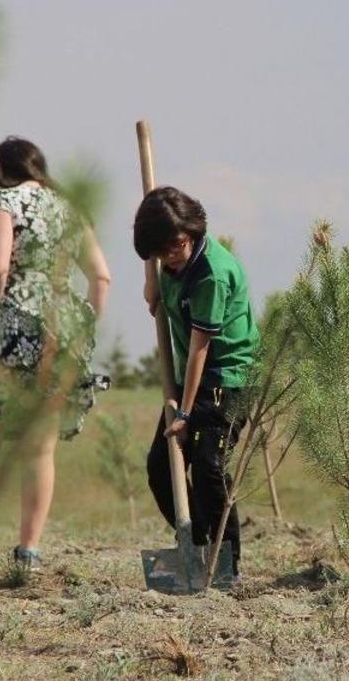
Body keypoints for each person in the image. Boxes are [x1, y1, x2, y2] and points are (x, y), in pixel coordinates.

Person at [0, 137, 112, 571]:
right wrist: (83, 330)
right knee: (40, 449)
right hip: (61, 333)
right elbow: (101, 278)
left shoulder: (3, 201)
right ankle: (29, 551)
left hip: (10, 329)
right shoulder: (72, 208)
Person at [134, 186, 259, 575]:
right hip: (189, 376)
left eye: (177, 245)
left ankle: (226, 562)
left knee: (208, 466)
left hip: (226, 377)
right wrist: (152, 279)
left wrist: (186, 413)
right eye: (161, 251)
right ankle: (196, 541)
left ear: (192, 230)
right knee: (161, 467)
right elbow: (156, 264)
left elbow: (200, 349)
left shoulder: (211, 274)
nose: (171, 255)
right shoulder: (166, 260)